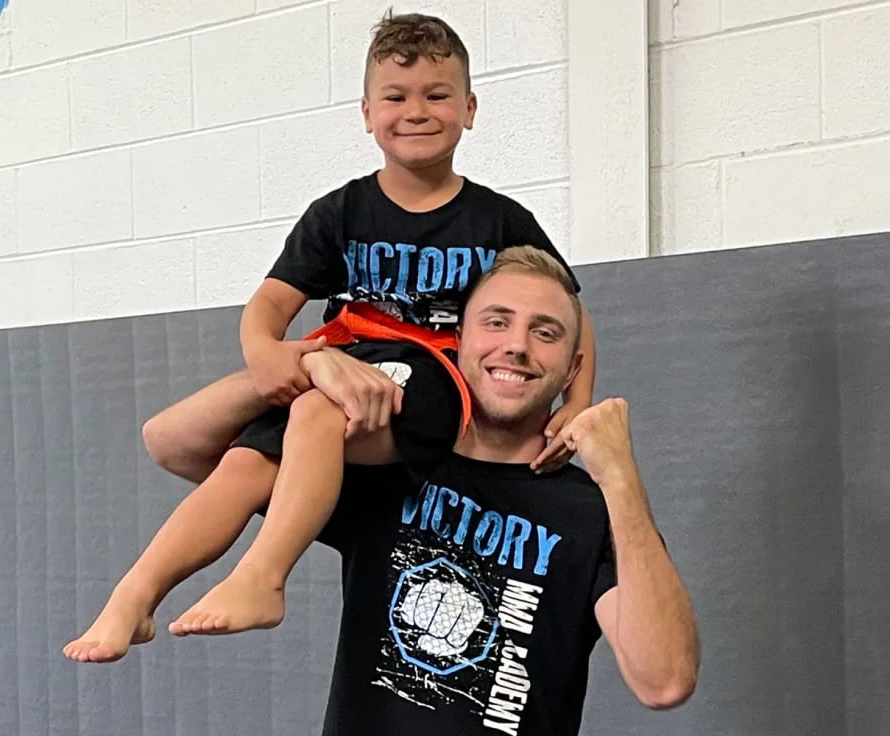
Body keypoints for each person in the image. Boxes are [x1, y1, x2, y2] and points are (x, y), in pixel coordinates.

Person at [63, 12, 596, 662]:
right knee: (243, 462)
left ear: (470, 108)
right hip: (349, 362)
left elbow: (567, 312)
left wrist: (573, 408)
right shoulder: (340, 211)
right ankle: (134, 597)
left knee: (315, 410)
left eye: (437, 95)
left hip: (441, 379)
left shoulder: (499, 219)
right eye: (396, 97)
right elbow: (268, 306)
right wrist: (270, 357)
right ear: (367, 112)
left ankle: (263, 576)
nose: (416, 111)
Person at [309, 247, 700, 734]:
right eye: (497, 322)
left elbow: (663, 680)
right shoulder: (390, 460)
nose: (517, 346)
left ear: (573, 370)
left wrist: (621, 477)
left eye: (544, 332)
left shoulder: (590, 512)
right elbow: (187, 448)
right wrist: (307, 365)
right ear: (457, 340)